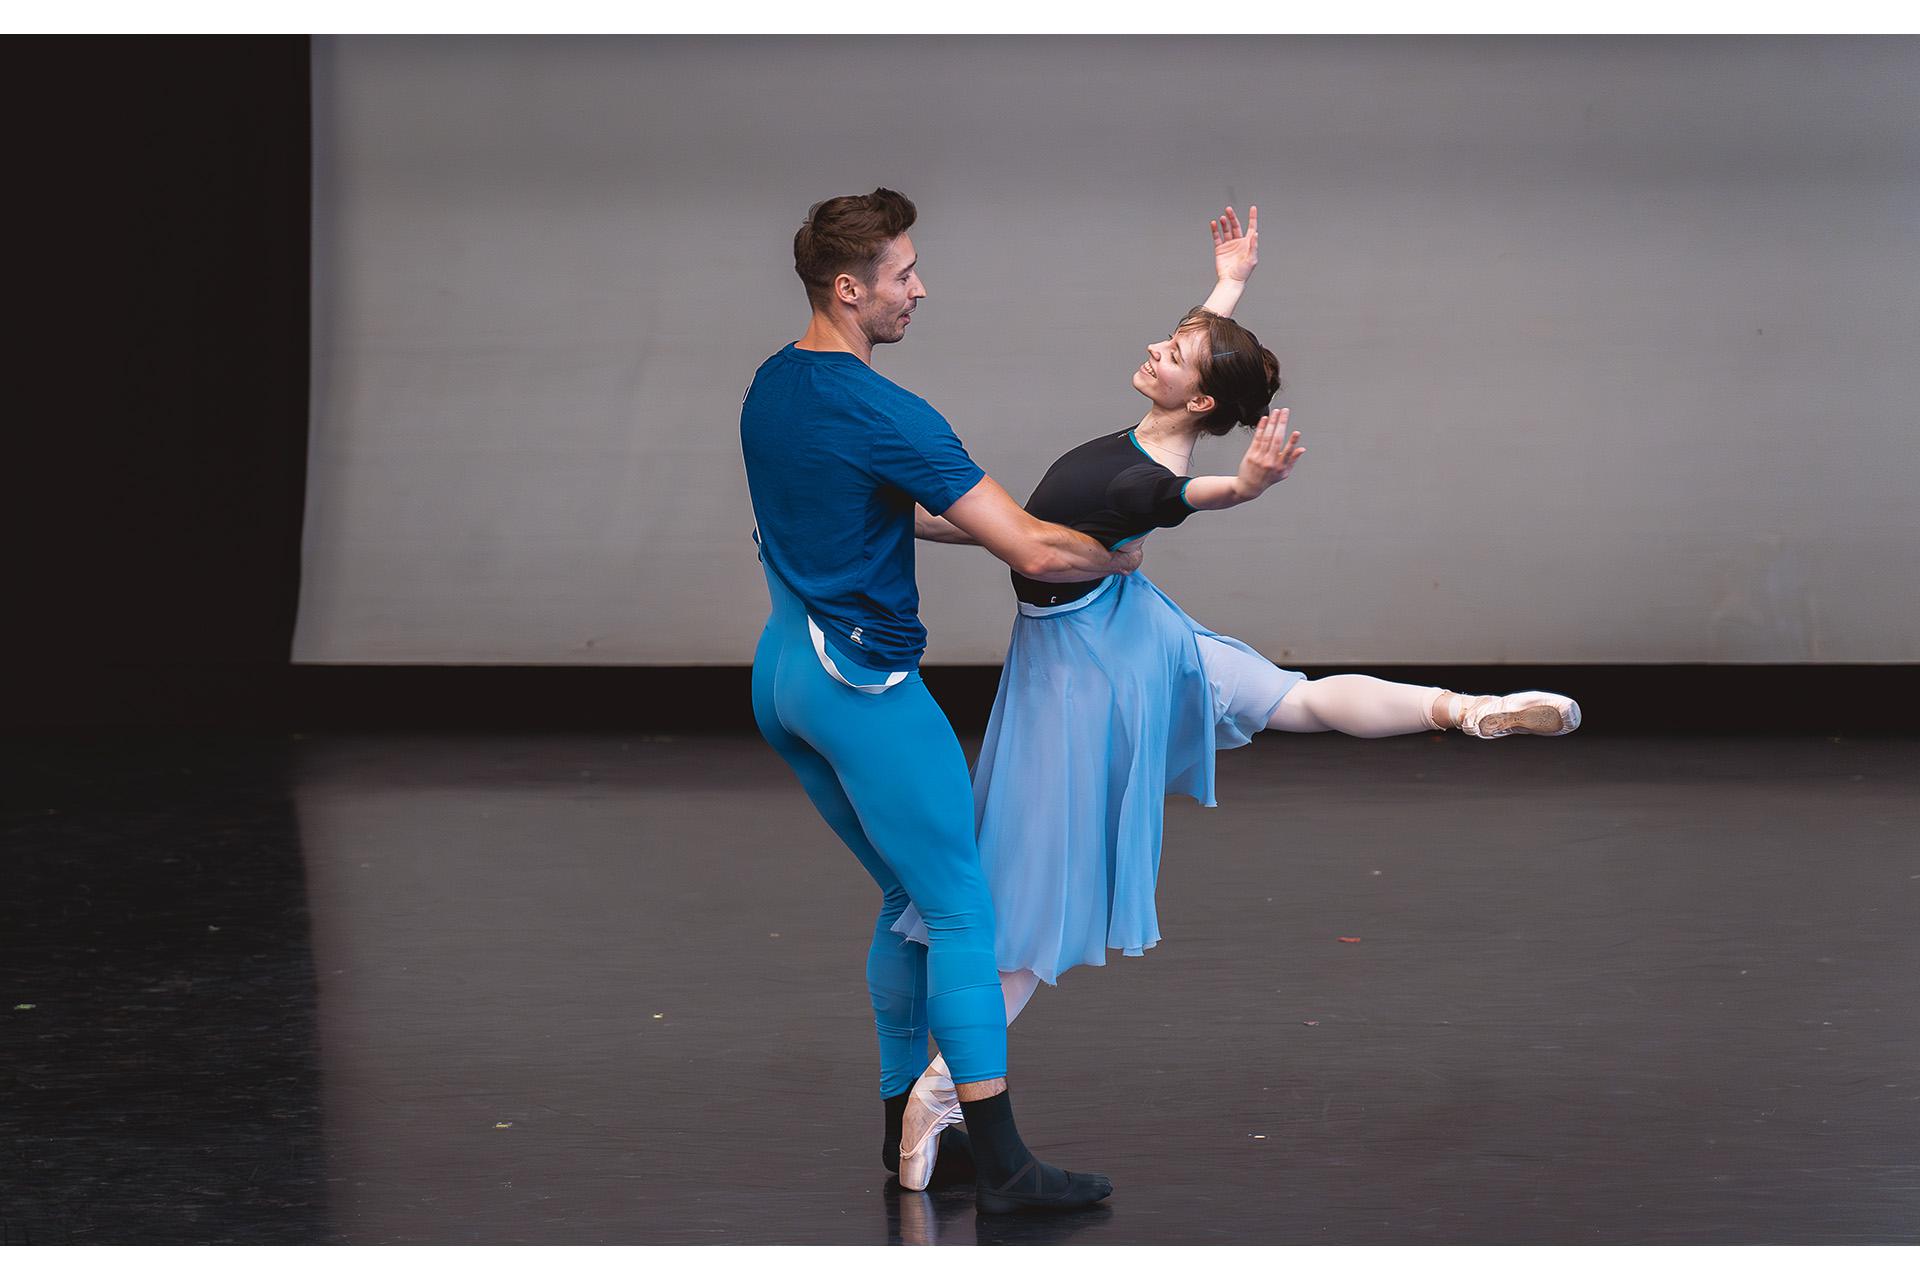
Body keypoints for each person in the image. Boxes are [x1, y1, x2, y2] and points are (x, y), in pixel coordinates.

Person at [891, 205, 1581, 1189]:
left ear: (1202, 402)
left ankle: (939, 1096)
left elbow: (1180, 498)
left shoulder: (1152, 475)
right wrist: (1229, 285)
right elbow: (1027, 521)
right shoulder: (1163, 425)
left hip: (1083, 672)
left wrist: (1242, 490)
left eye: (1172, 350)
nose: (1154, 347)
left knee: (1031, 905)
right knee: (1291, 698)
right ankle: (1463, 710)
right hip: (1137, 630)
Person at [740, 188, 1132, 1213]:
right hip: (863, 687)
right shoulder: (884, 409)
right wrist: (1112, 555)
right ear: (849, 287)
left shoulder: (774, 386)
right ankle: (1001, 1159)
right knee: (964, 907)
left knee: (907, 899)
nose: (920, 287)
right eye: (903, 274)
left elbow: (904, 512)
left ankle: (906, 1137)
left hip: (784, 675)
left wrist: (1037, 529)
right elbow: (1035, 549)